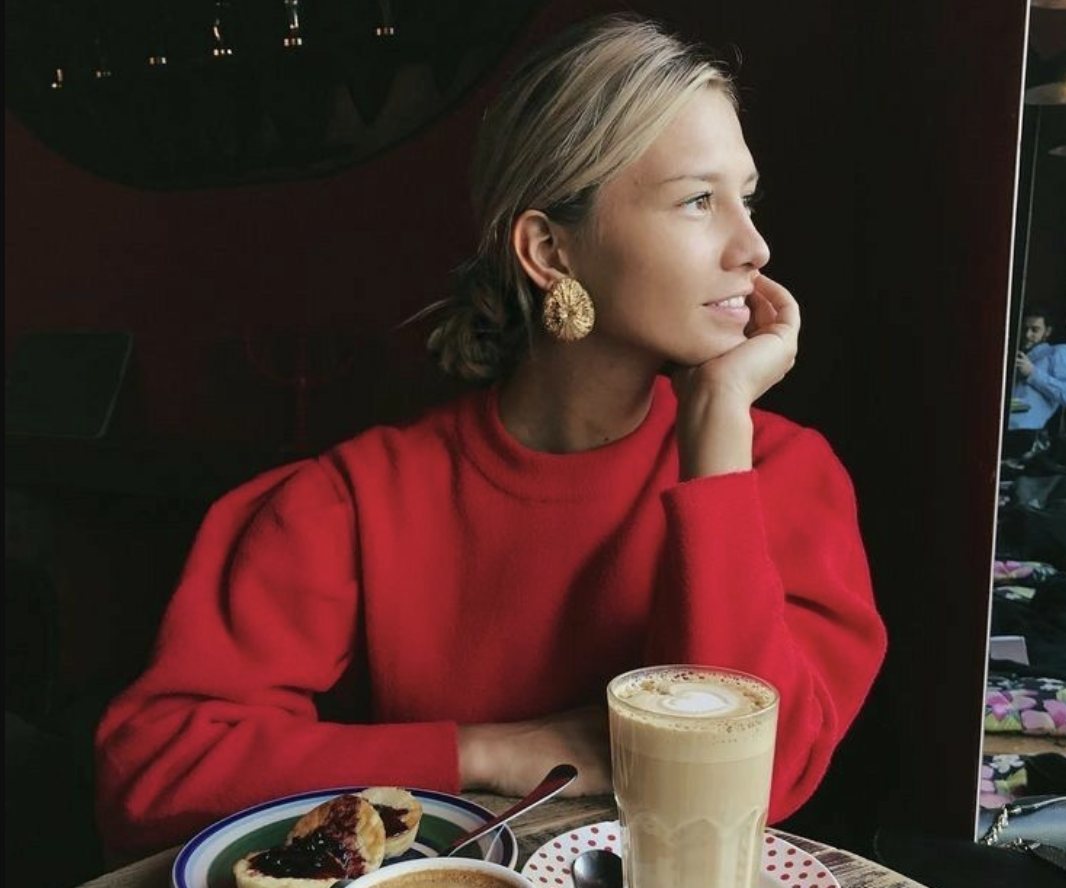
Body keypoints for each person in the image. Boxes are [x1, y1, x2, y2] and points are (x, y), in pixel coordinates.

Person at [95, 14, 887, 857]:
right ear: (550, 251)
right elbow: (152, 778)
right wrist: (485, 751)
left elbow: (762, 781)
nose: (753, 246)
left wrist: (717, 439)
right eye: (699, 201)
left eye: (746, 198)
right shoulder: (358, 497)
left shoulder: (779, 472)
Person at [1005, 305, 1066, 458]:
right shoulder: (1016, 354)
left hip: (1022, 433)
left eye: (1034, 330)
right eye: (1025, 329)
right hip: (1000, 425)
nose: (1027, 335)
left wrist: (1032, 373)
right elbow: (1021, 400)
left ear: (1047, 332)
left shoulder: (1059, 351)